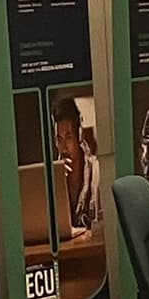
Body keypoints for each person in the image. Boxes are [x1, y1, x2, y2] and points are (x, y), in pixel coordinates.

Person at [52, 94, 101, 233]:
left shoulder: (97, 171)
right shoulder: (53, 178)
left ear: (79, 135)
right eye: (58, 139)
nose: (63, 147)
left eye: (68, 137)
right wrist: (58, 184)